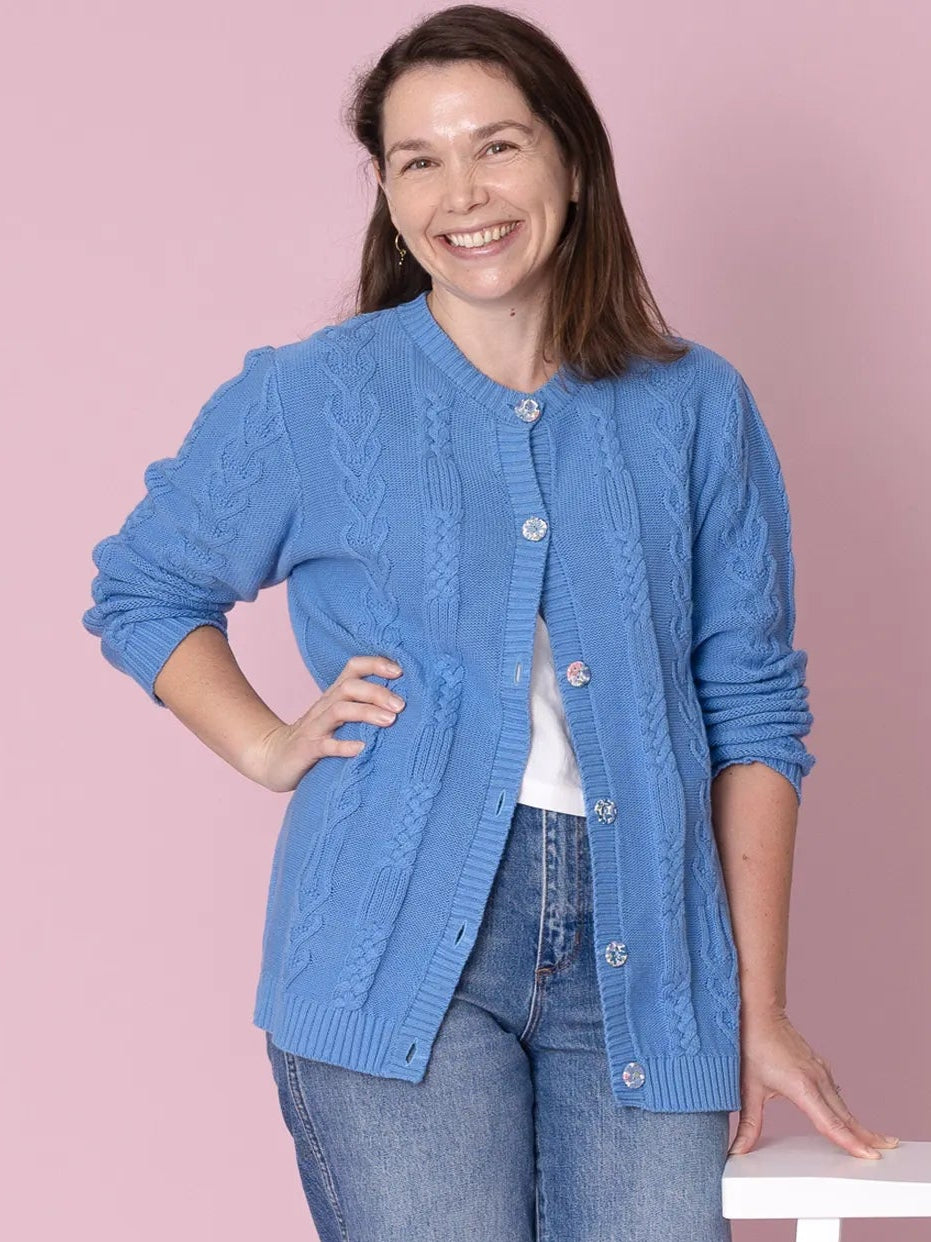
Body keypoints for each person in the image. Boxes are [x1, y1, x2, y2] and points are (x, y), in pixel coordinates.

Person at [81, 4, 899, 1239]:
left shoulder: (694, 406)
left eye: (497, 145)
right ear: (388, 191)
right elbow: (144, 588)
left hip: (649, 953)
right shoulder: (315, 396)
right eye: (419, 160)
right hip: (389, 945)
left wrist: (758, 1007)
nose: (461, 191)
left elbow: (754, 711)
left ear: (571, 160)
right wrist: (264, 746)